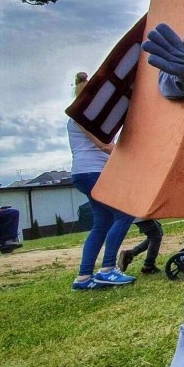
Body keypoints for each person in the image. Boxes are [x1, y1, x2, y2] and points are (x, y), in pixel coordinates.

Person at [68, 72, 136, 290]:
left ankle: (83, 277)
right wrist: (136, 158)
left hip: (86, 173)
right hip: (93, 172)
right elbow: (104, 146)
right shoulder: (82, 115)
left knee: (102, 223)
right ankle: (107, 269)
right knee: (125, 213)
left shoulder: (84, 115)